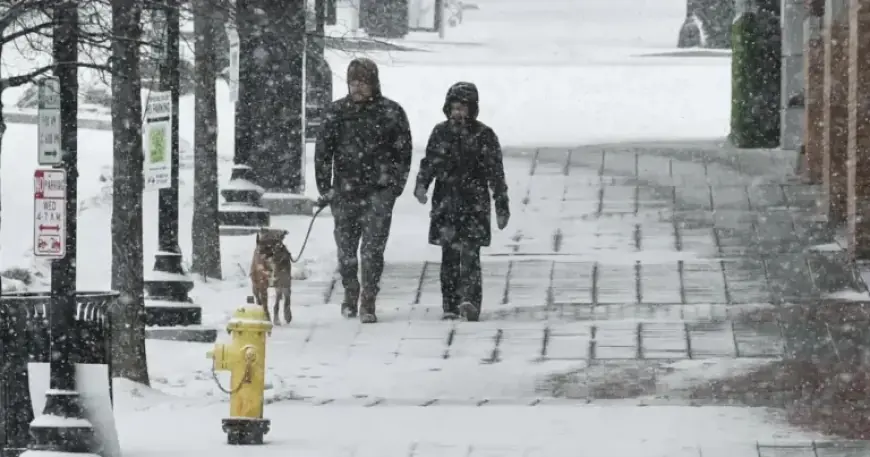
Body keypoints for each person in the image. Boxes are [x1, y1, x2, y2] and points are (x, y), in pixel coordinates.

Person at [314, 58, 413, 324]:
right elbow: (323, 153)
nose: (357, 88)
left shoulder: (391, 113)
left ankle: (368, 297)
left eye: (363, 82)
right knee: (346, 251)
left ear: (373, 83)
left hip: (378, 192)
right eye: (353, 82)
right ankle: (350, 291)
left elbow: (403, 152)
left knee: (372, 250)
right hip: (345, 191)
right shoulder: (336, 113)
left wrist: (394, 186)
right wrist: (325, 188)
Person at [413, 82, 510, 321]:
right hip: (446, 201)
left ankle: (470, 299)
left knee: (470, 254)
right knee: (449, 256)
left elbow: (495, 172)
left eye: (463, 108)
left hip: (474, 202)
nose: (458, 113)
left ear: (472, 110)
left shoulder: (483, 135)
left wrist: (500, 202)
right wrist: (422, 185)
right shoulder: (440, 133)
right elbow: (430, 162)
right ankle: (450, 302)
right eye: (454, 108)